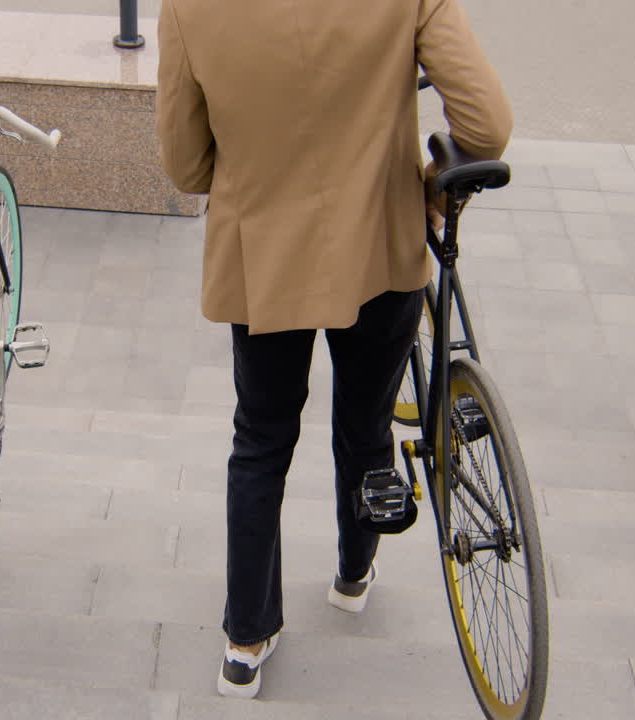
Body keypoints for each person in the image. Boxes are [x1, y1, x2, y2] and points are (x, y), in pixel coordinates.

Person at [156, 0, 512, 699]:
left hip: (264, 254)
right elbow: (487, 122)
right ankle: (354, 572)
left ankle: (245, 638)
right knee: (365, 420)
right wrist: (432, 186)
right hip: (380, 243)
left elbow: (185, 165)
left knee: (260, 437)